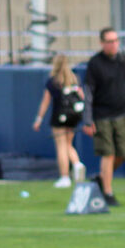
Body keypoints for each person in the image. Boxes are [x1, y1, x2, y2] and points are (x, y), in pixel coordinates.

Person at [81, 27, 125, 206]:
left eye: (116, 40)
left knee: (122, 153)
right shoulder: (95, 63)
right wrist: (88, 118)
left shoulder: (122, 59)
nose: (114, 44)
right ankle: (107, 192)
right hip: (102, 114)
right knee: (108, 153)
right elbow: (89, 92)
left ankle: (101, 179)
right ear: (102, 43)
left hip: (121, 113)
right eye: (109, 41)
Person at [32, 54, 86, 188]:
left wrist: (39, 119)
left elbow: (45, 102)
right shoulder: (74, 79)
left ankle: (64, 176)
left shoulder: (53, 81)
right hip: (73, 117)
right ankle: (77, 163)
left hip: (59, 117)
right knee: (68, 143)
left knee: (61, 146)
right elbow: (82, 97)